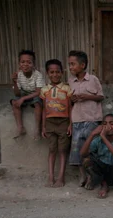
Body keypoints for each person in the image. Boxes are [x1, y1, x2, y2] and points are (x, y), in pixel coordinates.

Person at [68, 50, 104, 187]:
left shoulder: (93, 79)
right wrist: (73, 98)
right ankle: (82, 174)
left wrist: (87, 96)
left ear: (82, 65)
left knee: (90, 148)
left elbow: (101, 97)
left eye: (73, 64)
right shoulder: (70, 82)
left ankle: (91, 176)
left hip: (92, 119)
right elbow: (69, 101)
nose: (70, 67)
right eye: (69, 64)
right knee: (77, 148)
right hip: (77, 119)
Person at [80, 114, 113, 199]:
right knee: (87, 160)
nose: (107, 126)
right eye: (104, 123)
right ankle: (104, 185)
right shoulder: (97, 140)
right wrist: (92, 134)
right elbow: (82, 154)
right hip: (102, 171)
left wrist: (103, 137)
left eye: (111, 123)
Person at [40, 59, 72, 187]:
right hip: (49, 123)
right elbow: (43, 109)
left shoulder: (67, 88)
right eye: (52, 72)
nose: (55, 75)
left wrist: (70, 124)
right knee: (52, 150)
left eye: (57, 72)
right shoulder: (44, 90)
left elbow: (70, 108)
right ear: (47, 73)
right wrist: (43, 126)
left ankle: (61, 177)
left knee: (62, 150)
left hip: (63, 122)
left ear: (62, 72)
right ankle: (51, 177)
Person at [11, 50, 44, 139]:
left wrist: (23, 98)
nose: (25, 64)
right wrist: (14, 82)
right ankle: (20, 127)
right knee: (15, 102)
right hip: (24, 94)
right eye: (23, 62)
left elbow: (38, 92)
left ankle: (37, 129)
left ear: (33, 64)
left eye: (29, 62)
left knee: (38, 102)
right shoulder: (18, 74)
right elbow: (17, 93)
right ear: (19, 64)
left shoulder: (38, 75)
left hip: (35, 95)